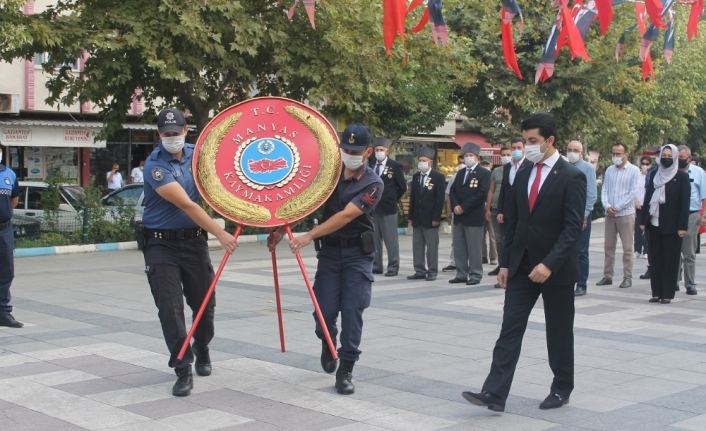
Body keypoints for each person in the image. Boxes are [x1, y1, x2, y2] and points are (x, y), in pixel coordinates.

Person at [462, 113, 586, 412]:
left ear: (550, 140)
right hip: (520, 265)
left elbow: (572, 229)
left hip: (554, 269)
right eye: (525, 140)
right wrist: (505, 264)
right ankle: (494, 392)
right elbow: (514, 223)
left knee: (558, 330)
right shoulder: (522, 171)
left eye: (533, 141)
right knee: (510, 328)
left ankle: (561, 388)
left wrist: (550, 263)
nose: (527, 147)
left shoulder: (572, 176)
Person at [269, 123, 383, 395]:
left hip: (358, 254)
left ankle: (346, 369)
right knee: (325, 311)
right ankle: (327, 339)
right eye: (346, 149)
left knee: (353, 310)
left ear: (367, 152)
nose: (350, 154)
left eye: (356, 151)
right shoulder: (327, 176)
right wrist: (279, 230)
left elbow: (346, 215)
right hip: (330, 254)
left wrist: (308, 236)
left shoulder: (373, 183)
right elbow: (305, 203)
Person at [142, 108, 239, 397]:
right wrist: (221, 233)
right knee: (171, 309)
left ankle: (202, 345)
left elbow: (229, 179)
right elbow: (186, 205)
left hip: (194, 243)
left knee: (205, 306)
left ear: (186, 131)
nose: (171, 138)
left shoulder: (200, 156)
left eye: (176, 133)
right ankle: (182, 368)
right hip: (161, 246)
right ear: (159, 135)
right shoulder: (154, 166)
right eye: (165, 134)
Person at [641, 145, 690, 304]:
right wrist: (643, 221)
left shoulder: (681, 177)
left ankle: (667, 293)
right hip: (654, 223)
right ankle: (656, 292)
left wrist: (682, 226)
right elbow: (647, 197)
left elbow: (684, 203)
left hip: (673, 226)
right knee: (655, 259)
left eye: (670, 155)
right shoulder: (655, 174)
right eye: (664, 155)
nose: (666, 158)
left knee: (670, 260)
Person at [597, 143, 640, 289]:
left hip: (625, 213)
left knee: (627, 247)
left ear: (626, 154)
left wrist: (618, 206)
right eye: (614, 154)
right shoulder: (609, 170)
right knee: (609, 246)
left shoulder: (634, 170)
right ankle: (607, 275)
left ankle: (627, 277)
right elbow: (605, 189)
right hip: (610, 214)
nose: (616, 157)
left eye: (619, 154)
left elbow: (633, 192)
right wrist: (607, 205)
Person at [449, 142, 491, 285]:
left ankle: (475, 274)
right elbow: (452, 191)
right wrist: (455, 206)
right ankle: (461, 273)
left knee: (474, 247)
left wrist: (464, 207)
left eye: (470, 155)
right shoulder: (460, 173)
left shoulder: (484, 173)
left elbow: (481, 193)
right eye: (466, 155)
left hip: (473, 215)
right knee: (459, 246)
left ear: (477, 157)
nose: (468, 158)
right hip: (459, 216)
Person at [407, 146, 446, 281]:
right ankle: (419, 269)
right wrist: (410, 216)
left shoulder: (438, 177)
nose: (421, 162)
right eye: (420, 160)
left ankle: (432, 270)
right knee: (417, 244)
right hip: (417, 217)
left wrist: (437, 217)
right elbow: (413, 197)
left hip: (430, 218)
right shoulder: (416, 176)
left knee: (431, 246)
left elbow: (440, 199)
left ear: (430, 162)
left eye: (424, 160)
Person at [369, 137, 406, 277]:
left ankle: (393, 266)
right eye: (377, 150)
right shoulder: (371, 164)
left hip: (388, 207)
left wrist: (392, 198)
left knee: (391, 240)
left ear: (387, 151)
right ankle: (376, 265)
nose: (379, 152)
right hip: (373, 208)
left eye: (381, 150)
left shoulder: (395, 166)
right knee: (374, 238)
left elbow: (402, 186)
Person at [566, 141, 597, 296]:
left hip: (581, 214)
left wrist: (584, 215)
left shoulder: (587, 169)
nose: (572, 153)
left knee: (581, 251)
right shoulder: (564, 166)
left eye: (575, 150)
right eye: (569, 150)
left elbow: (591, 194)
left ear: (581, 153)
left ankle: (582, 284)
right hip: (566, 214)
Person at [676, 146, 706, 295]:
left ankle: (690, 283)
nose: (679, 160)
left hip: (692, 214)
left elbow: (703, 196)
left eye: (682, 157)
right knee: (673, 251)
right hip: (673, 215)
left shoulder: (698, 173)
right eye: (678, 157)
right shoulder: (670, 171)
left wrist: (704, 215)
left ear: (689, 158)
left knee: (688, 252)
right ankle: (673, 281)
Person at [0, 143, 23, 328]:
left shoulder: (9, 174)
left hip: (4, 228)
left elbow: (13, 200)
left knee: (6, 271)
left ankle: (3, 313)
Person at [486, 147, 512, 283]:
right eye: (503, 155)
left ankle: (508, 266)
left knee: (508, 239)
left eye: (508, 154)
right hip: (496, 209)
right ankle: (501, 265)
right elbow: (491, 190)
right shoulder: (496, 171)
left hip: (509, 210)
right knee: (498, 239)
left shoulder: (515, 170)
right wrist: (488, 208)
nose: (506, 157)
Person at [443, 154, 465, 273]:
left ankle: (469, 263)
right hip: (455, 211)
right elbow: (449, 195)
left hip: (468, 212)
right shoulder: (454, 177)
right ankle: (454, 262)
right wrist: (449, 210)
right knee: (455, 239)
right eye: (460, 162)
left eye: (464, 162)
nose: (462, 164)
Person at [480, 159, 497, 266]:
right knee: (481, 234)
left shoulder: (493, 176)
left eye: (487, 164)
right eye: (483, 164)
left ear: (491, 165)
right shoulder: (480, 176)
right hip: (480, 209)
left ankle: (493, 257)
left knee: (492, 235)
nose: (485, 166)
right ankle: (483, 256)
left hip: (491, 208)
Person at [634, 156, 652, 259]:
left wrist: (647, 175)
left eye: (647, 164)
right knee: (637, 228)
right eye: (643, 163)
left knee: (646, 229)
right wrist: (635, 201)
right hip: (638, 204)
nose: (644, 165)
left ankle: (646, 249)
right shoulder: (637, 175)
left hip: (647, 205)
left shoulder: (650, 175)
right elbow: (633, 189)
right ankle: (637, 249)